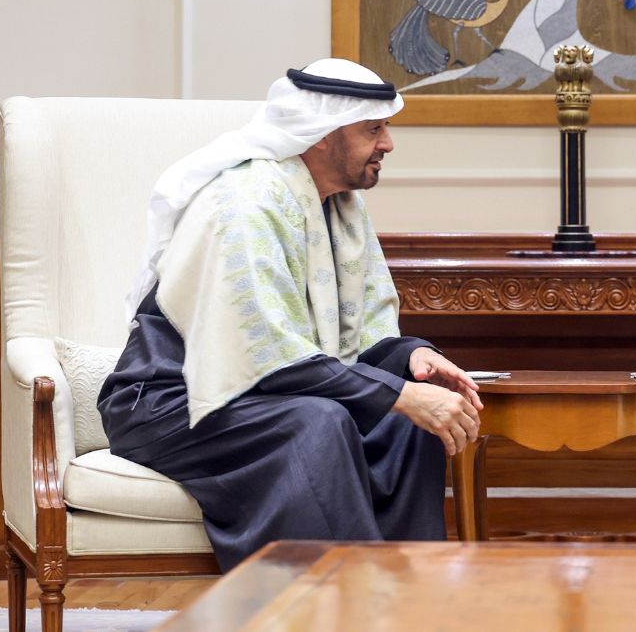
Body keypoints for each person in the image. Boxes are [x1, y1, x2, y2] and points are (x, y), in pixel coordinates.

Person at [97, 58, 484, 571]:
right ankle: (334, 599)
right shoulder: (246, 205)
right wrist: (399, 395)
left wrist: (410, 359)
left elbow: (342, 347)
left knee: (409, 421)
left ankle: (405, 593)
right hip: (170, 403)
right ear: (322, 134)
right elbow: (270, 356)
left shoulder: (338, 206)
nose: (388, 144)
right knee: (320, 421)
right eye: (373, 129)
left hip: (262, 395)